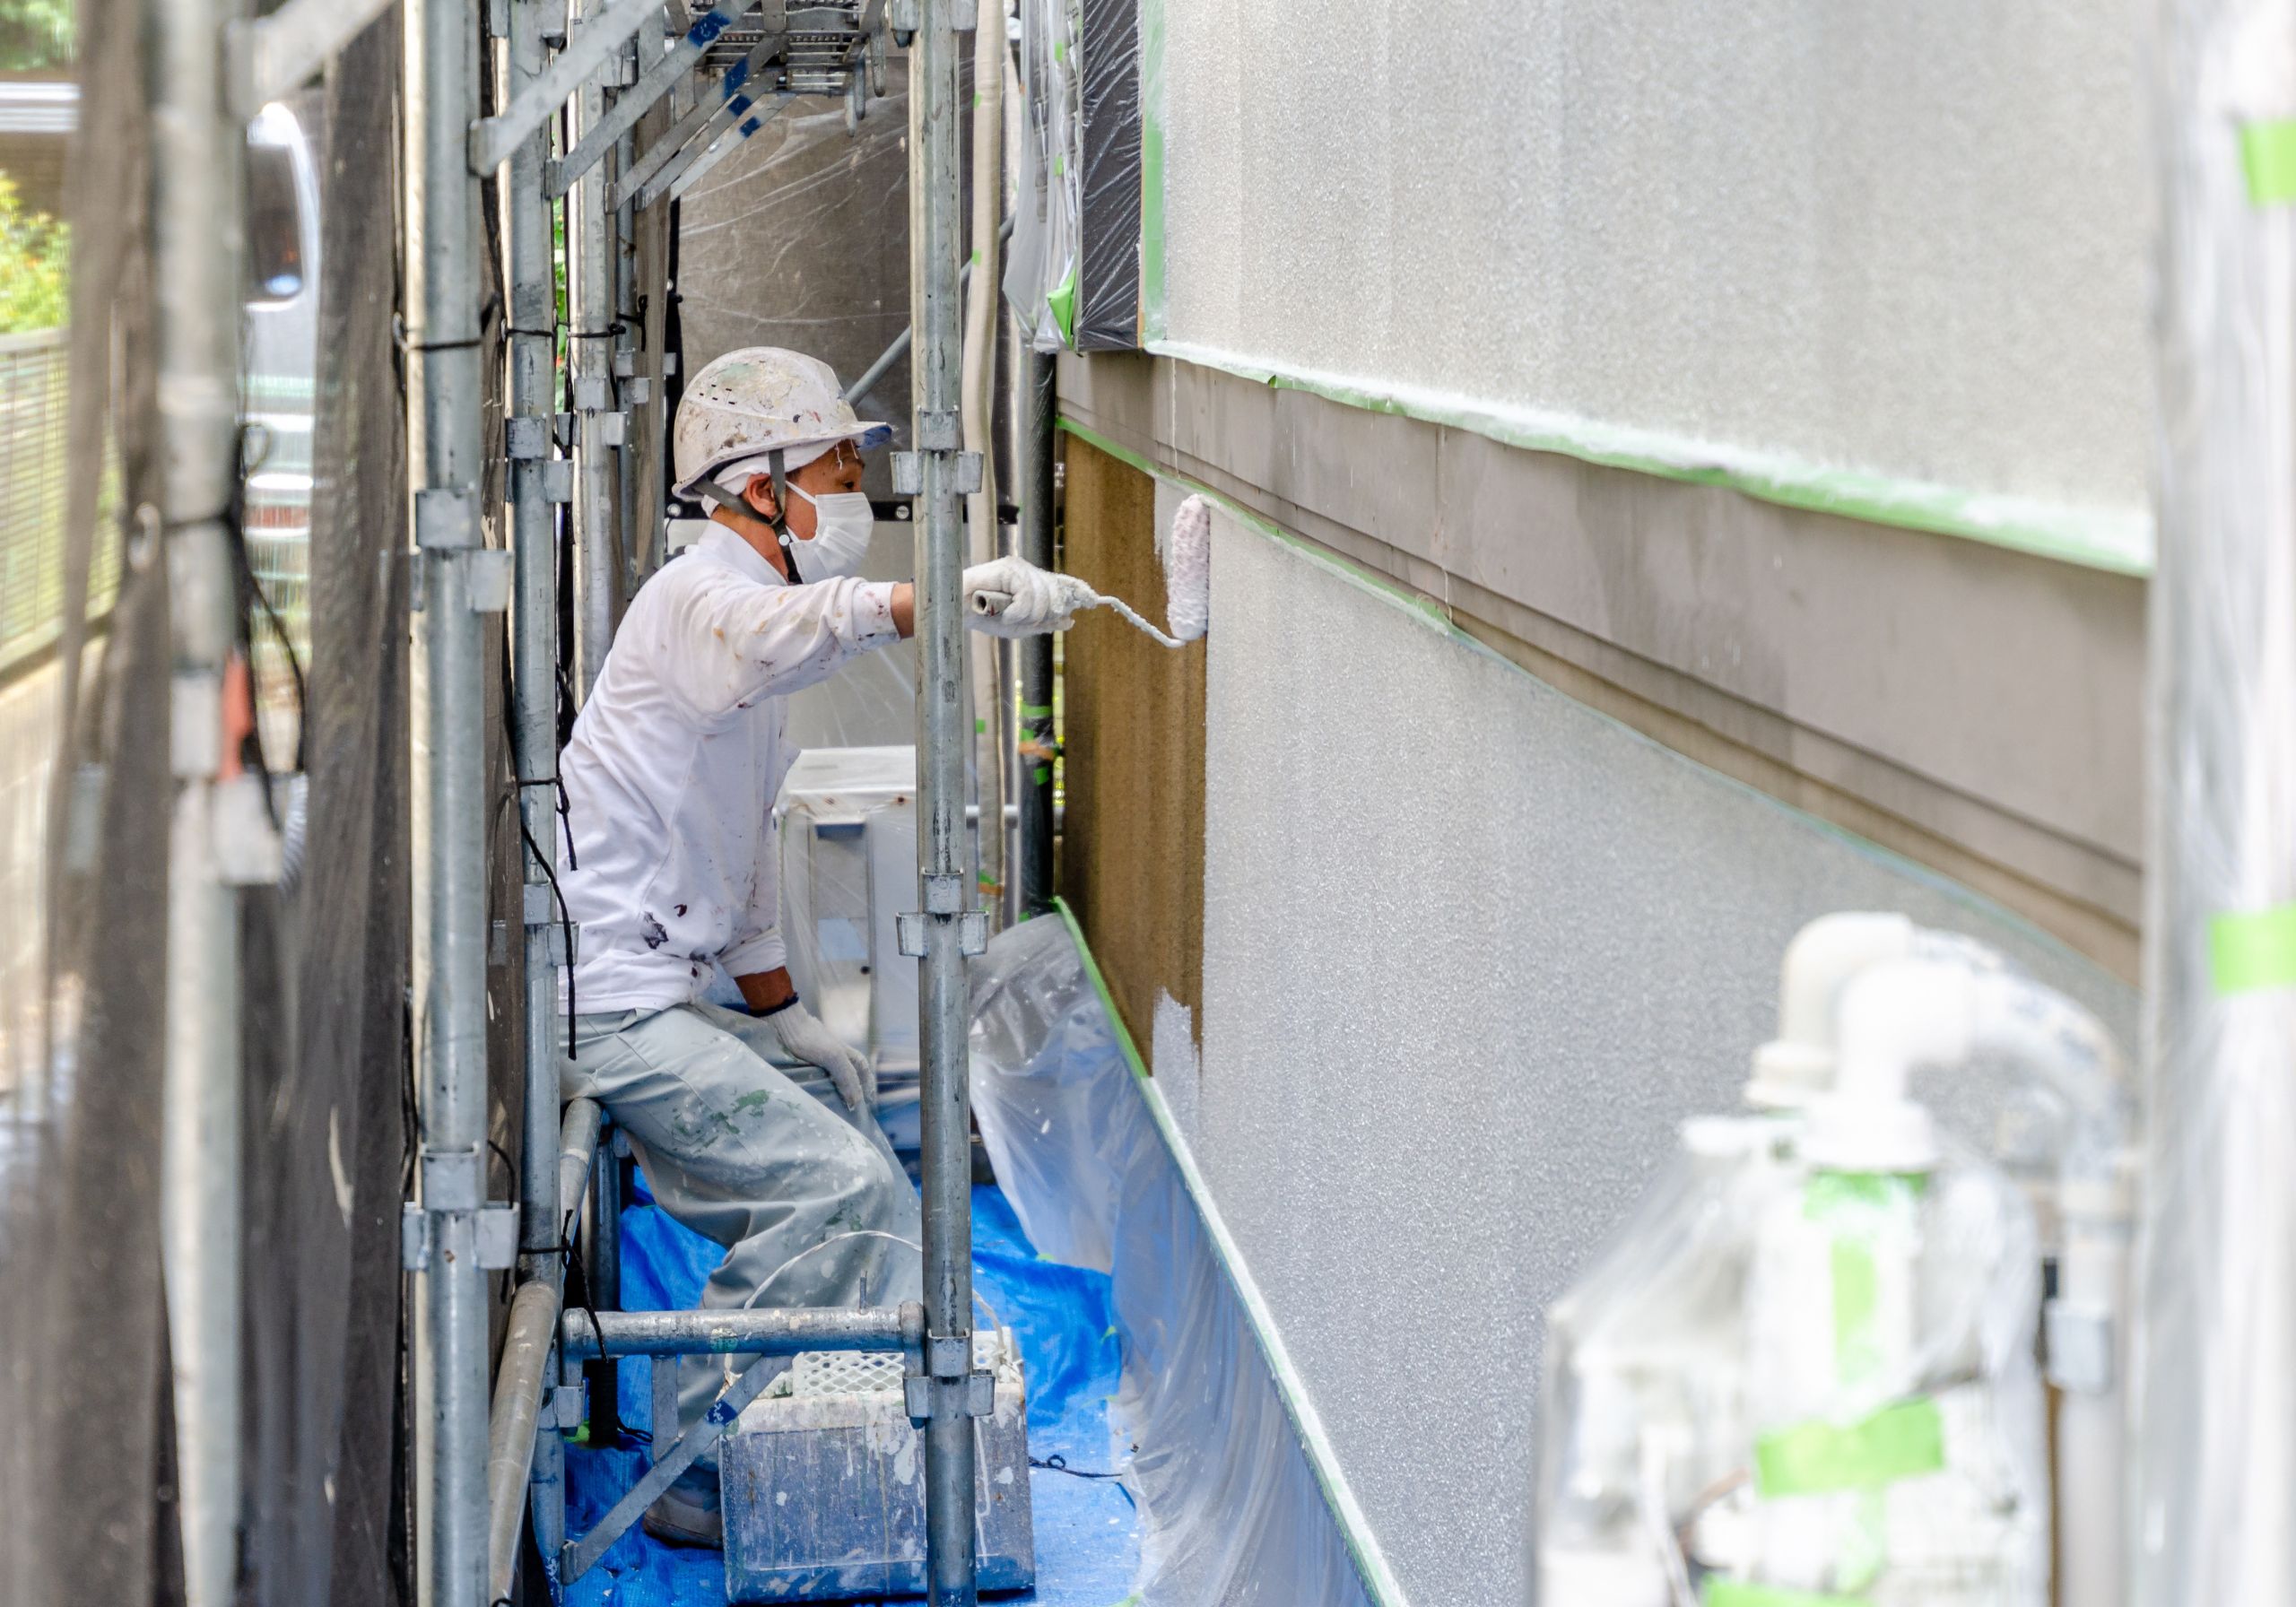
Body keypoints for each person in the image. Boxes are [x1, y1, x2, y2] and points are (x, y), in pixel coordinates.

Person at [554, 346, 1076, 1545]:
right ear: (760, 482)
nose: (859, 482)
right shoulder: (700, 601)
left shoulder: (752, 645)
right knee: (834, 1188)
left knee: (868, 1172)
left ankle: (859, 1423)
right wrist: (927, 598)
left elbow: (737, 862)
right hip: (610, 1006)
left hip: (660, 993)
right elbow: (785, 626)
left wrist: (782, 1007)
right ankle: (694, 1468)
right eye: (840, 459)